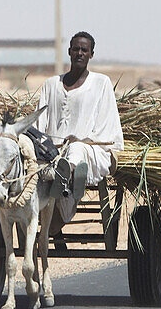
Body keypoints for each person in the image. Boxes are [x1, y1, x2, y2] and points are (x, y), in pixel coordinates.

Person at [35, 31, 124, 224]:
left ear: (91, 54)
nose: (80, 53)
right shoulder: (51, 84)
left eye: (85, 50)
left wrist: (82, 140)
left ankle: (67, 173)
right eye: (76, 49)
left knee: (76, 150)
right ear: (69, 52)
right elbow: (40, 125)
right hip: (53, 152)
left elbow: (107, 125)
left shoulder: (101, 83)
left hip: (89, 150)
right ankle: (62, 176)